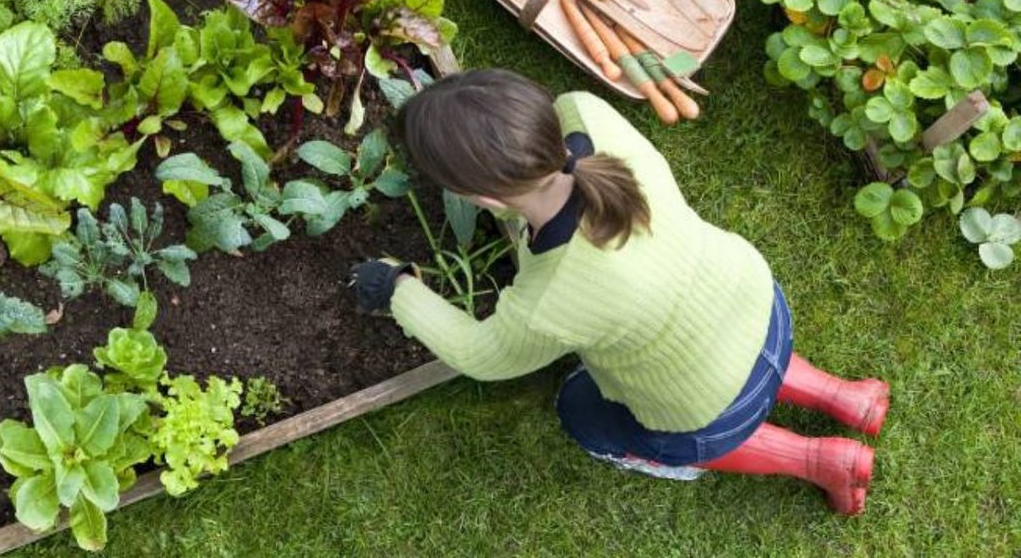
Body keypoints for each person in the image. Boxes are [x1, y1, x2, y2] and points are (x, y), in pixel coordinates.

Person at [350, 69, 889, 514]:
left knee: (581, 412)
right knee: (722, 346)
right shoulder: (587, 114)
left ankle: (817, 460)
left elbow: (480, 354)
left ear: (485, 199)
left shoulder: (552, 299)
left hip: (707, 406)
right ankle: (847, 397)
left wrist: (396, 288)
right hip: (757, 303)